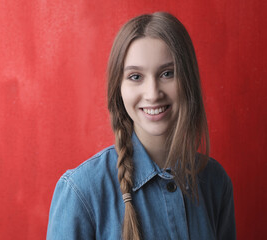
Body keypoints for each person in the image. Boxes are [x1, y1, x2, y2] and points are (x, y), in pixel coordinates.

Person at [47, 12, 236, 240]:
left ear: (189, 80)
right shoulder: (81, 191)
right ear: (119, 88)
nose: (153, 94)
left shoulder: (216, 182)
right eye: (136, 77)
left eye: (167, 73)